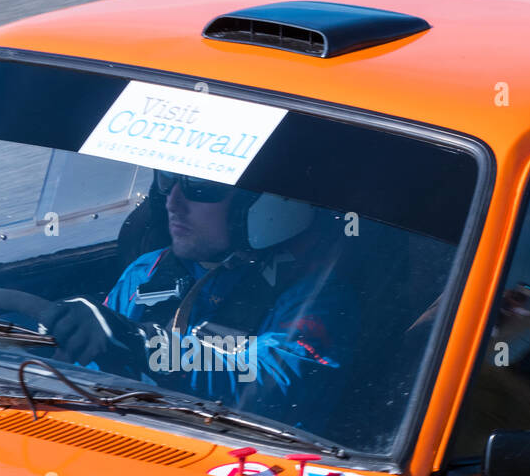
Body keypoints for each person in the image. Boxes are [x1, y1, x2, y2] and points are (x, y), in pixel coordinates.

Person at [38, 170, 353, 417]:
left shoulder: (314, 295)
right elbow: (89, 370)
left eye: (199, 187)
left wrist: (140, 343)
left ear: (259, 201)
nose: (172, 203)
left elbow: (267, 382)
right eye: (168, 180)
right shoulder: (147, 271)